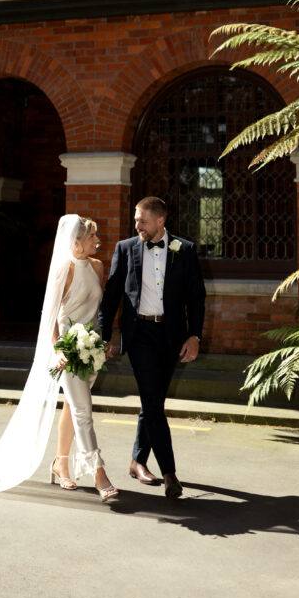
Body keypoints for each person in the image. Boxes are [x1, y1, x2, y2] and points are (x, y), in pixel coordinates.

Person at [0, 214, 118, 501]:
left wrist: (101, 343)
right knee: (83, 410)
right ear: (77, 242)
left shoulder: (98, 266)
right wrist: (58, 349)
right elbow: (51, 317)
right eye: (93, 236)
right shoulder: (63, 270)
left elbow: (96, 312)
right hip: (68, 351)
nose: (98, 240)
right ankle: (98, 472)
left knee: (72, 406)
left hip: (90, 352)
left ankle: (60, 463)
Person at [99, 196, 206, 499]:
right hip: (140, 335)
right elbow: (111, 295)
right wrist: (105, 336)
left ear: (161, 221)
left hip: (172, 336)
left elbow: (196, 296)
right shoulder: (126, 248)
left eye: (142, 220)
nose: (137, 225)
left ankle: (137, 461)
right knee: (152, 400)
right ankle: (170, 473)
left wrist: (194, 336)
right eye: (136, 220)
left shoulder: (184, 250)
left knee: (153, 401)